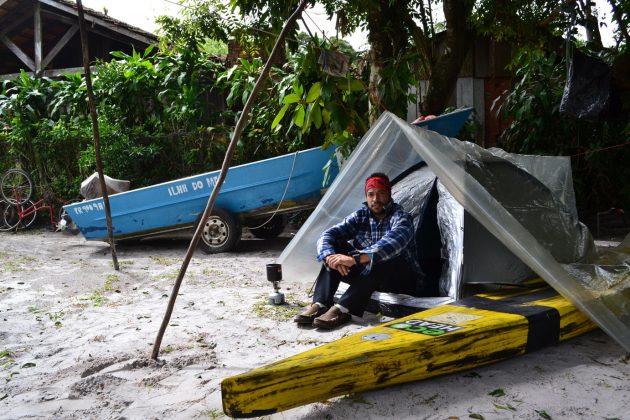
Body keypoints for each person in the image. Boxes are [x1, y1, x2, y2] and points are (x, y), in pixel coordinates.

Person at [294, 172, 423, 329]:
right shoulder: (361, 215)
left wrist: (354, 259)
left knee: (385, 256)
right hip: (370, 278)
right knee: (336, 244)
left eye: (381, 193)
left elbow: (391, 245)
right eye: (371, 194)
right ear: (366, 196)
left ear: (389, 194)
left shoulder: (401, 217)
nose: (375, 199)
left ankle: (341, 309)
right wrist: (330, 256)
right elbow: (328, 234)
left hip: (399, 280)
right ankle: (321, 303)